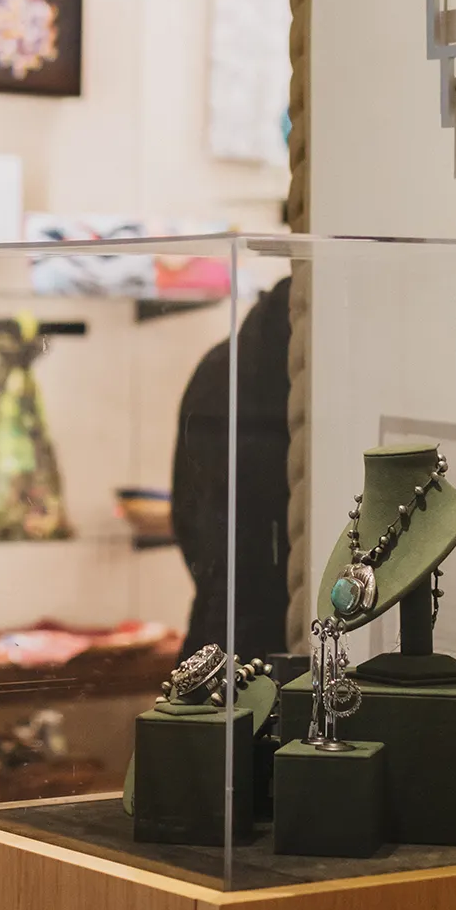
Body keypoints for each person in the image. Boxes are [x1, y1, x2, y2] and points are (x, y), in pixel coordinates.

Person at [169, 276, 293, 660]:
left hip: (221, 621)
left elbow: (188, 516)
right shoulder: (275, 370)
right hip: (252, 627)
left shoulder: (221, 365)